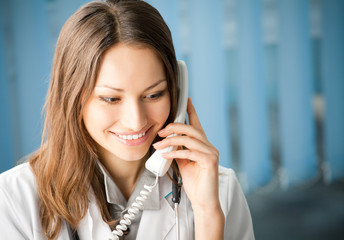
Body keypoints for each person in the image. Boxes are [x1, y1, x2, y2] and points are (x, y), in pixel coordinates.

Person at [0, 0, 254, 239]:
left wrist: (207, 215)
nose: (135, 121)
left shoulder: (219, 191)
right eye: (111, 99)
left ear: (177, 89)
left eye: (154, 94)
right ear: (73, 96)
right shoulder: (13, 197)